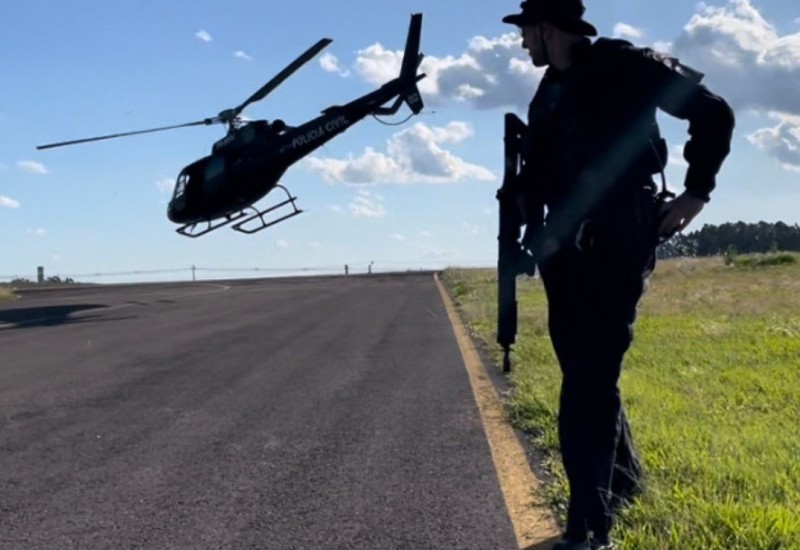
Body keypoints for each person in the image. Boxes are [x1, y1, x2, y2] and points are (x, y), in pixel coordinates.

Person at [501, 1, 735, 549]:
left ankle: (588, 527)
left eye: (524, 32)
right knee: (584, 372)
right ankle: (623, 484)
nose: (520, 44)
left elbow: (714, 112)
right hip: (563, 250)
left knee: (590, 376)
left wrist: (698, 190)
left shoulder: (628, 64)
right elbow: (541, 172)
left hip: (617, 240)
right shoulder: (548, 91)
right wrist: (517, 217)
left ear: (545, 28)